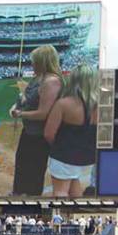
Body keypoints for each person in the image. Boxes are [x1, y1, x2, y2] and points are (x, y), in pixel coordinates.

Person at [9, 45, 63, 196]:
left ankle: (31, 201)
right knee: (21, 163)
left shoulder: (51, 81)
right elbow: (29, 98)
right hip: (30, 131)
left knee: (35, 169)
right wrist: (20, 101)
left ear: (42, 61)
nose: (32, 64)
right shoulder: (38, 78)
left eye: (34, 61)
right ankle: (18, 193)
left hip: (40, 135)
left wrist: (20, 114)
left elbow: (43, 113)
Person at [44, 65, 100, 198]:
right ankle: (78, 216)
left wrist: (60, 148)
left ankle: (60, 219)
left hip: (64, 156)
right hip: (87, 158)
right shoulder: (102, 106)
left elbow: (48, 134)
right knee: (75, 187)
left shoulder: (63, 104)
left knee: (60, 191)